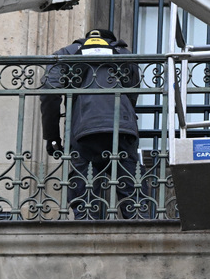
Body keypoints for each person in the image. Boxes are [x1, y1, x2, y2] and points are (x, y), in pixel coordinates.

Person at [41, 29, 141, 219]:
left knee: (84, 197)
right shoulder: (124, 54)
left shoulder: (66, 53)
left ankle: (85, 235)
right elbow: (132, 92)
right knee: (133, 195)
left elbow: (49, 92)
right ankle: (143, 235)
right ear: (110, 40)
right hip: (122, 130)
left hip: (82, 130)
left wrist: (52, 135)